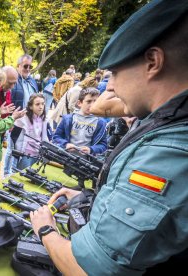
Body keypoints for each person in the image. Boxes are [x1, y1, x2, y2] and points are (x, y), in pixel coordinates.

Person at [30, 1, 188, 275]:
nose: (110, 85)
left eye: (115, 72)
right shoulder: (169, 121)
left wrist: (46, 229)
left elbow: (89, 270)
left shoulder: (168, 151)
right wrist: (94, 197)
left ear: (153, 62)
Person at [53, 87, 107, 155]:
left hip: (85, 160)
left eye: (95, 101)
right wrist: (66, 144)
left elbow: (103, 145)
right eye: (89, 101)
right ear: (79, 103)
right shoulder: (68, 119)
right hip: (66, 155)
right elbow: (56, 136)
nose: (92, 105)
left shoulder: (100, 123)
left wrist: (91, 149)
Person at [11, 94, 50, 169]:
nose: (41, 107)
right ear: (30, 106)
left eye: (43, 104)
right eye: (37, 104)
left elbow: (45, 138)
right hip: (26, 155)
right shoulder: (22, 119)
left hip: (38, 155)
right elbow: (14, 137)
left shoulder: (45, 120)